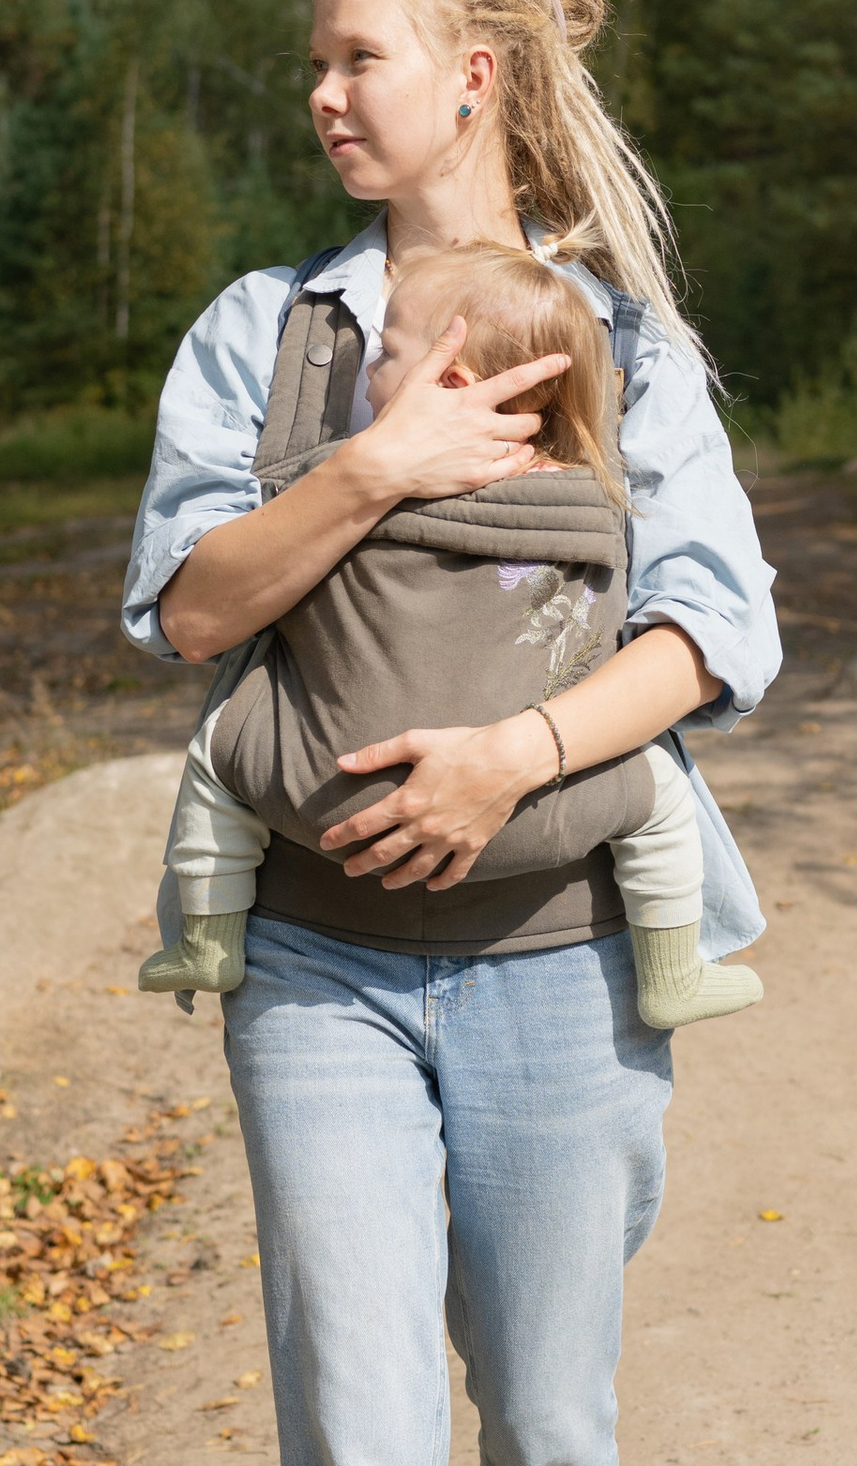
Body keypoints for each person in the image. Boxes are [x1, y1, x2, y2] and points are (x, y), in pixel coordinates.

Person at [122, 0, 780, 1466]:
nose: (321, 95)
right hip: (311, 964)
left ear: (473, 74)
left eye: (357, 56)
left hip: (552, 952)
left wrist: (512, 755)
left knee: (550, 1404)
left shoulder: (617, 338)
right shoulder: (263, 334)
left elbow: (718, 622)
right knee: (354, 1432)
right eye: (315, 61)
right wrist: (375, 468)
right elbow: (184, 612)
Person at [135, 235, 764, 1033]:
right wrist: (528, 753)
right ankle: (676, 966)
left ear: (453, 379)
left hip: (322, 796)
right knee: (663, 793)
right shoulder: (588, 491)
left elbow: (720, 622)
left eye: (387, 352)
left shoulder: (343, 471)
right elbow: (702, 624)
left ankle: (208, 934)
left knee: (221, 744)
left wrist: (358, 475)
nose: (370, 372)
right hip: (556, 823)